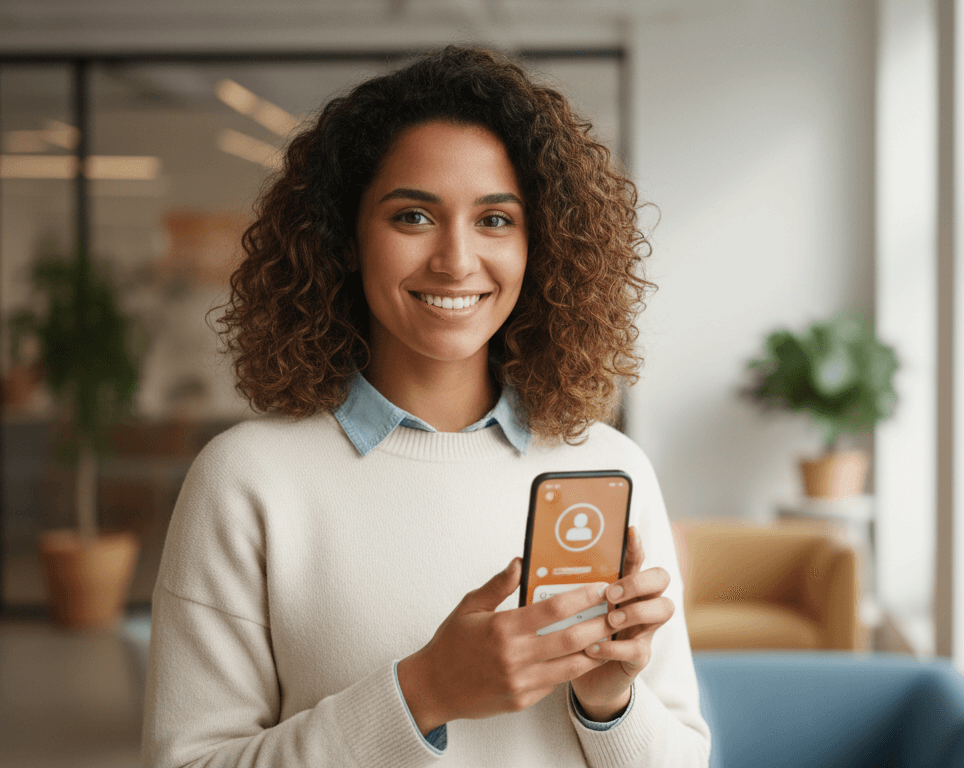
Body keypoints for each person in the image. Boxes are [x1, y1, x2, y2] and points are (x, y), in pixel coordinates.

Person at [142, 46, 710, 767]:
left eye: (495, 220)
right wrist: (424, 694)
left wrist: (609, 703)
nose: (456, 260)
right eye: (413, 216)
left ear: (540, 245)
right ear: (346, 238)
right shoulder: (245, 479)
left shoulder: (609, 467)